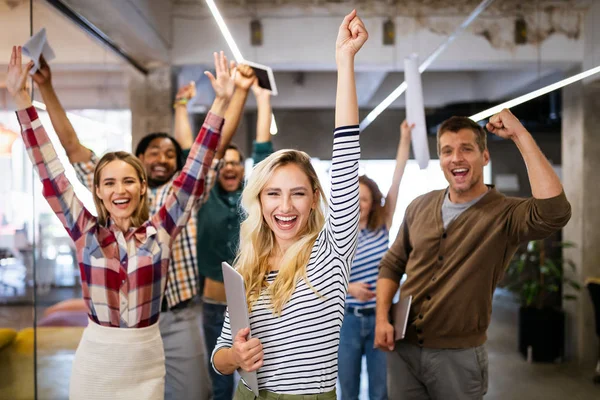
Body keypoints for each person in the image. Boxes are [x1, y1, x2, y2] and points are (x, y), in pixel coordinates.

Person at [6, 46, 234, 399]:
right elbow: (50, 173)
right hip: (97, 361)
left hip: (146, 359)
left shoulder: (161, 231)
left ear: (143, 187)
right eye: (109, 183)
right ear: (97, 190)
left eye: (129, 181)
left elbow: (194, 173)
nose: (119, 190)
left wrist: (220, 104)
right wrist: (21, 100)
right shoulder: (85, 232)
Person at [211, 9, 367, 399]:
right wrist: (235, 356)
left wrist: (344, 62)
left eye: (298, 193)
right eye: (273, 194)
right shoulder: (247, 263)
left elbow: (347, 156)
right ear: (260, 201)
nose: (286, 206)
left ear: (315, 198)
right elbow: (219, 354)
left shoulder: (330, 252)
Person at [374, 110, 572, 400]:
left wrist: (520, 135)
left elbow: (554, 212)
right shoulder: (419, 205)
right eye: (447, 151)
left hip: (459, 357)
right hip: (402, 349)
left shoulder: (504, 214)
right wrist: (382, 318)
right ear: (440, 160)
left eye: (467, 149)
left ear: (485, 156)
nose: (456, 158)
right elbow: (392, 264)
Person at [195, 74, 275, 400]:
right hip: (214, 304)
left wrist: (263, 96)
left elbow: (264, 151)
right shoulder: (203, 199)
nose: (229, 168)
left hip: (255, 301)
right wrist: (233, 96)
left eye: (235, 163)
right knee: (220, 382)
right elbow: (207, 154)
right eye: (223, 163)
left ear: (243, 169)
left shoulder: (252, 197)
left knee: (258, 377)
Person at [338, 120, 412, 400]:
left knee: (381, 391)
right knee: (348, 390)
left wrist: (404, 138)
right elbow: (318, 277)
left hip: (381, 318)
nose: (359, 203)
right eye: (353, 197)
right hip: (348, 321)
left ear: (372, 202)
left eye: (365, 198)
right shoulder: (335, 235)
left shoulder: (382, 226)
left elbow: (397, 177)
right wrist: (350, 288)